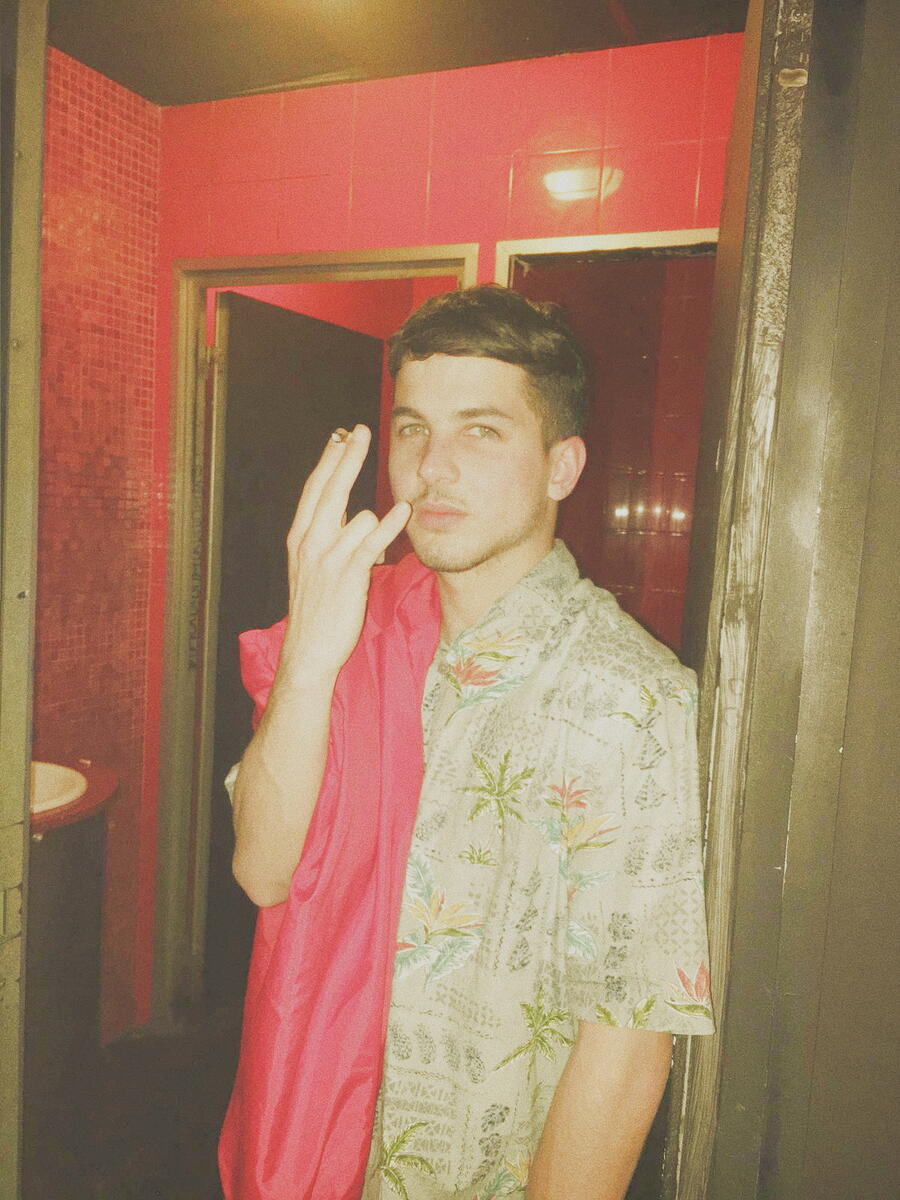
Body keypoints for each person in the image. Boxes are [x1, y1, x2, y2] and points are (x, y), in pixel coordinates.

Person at [222, 285, 714, 1200]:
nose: (431, 469)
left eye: (481, 431)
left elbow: (627, 1039)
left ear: (562, 466)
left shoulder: (628, 699)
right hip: (316, 1143)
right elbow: (261, 870)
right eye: (413, 429)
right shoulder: (358, 630)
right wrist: (309, 661)